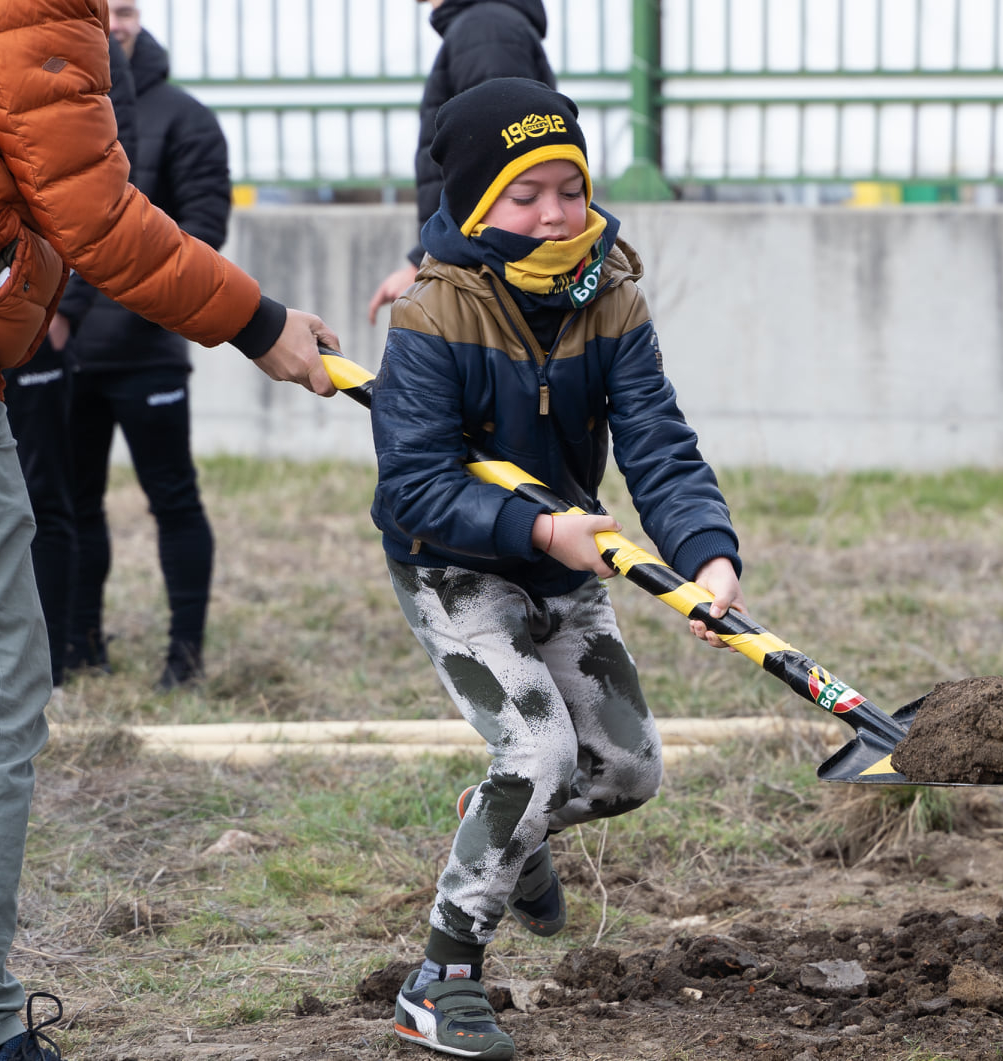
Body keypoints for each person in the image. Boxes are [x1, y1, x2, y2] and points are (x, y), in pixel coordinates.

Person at [0, 1, 341, 1057]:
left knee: (158, 505)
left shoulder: (167, 103)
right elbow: (97, 213)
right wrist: (259, 320)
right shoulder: (35, 15)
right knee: (6, 687)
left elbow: (151, 205)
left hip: (112, 346)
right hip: (76, 344)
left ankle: (184, 649)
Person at [371, 78, 742, 1060]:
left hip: (565, 563)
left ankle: (502, 820)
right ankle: (438, 977)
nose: (553, 214)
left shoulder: (609, 293)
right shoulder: (431, 313)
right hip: (456, 568)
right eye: (524, 193)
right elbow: (415, 484)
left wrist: (707, 555)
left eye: (567, 188)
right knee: (535, 754)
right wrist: (537, 532)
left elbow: (657, 438)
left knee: (625, 768)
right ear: (478, 202)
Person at [55, 0, 235, 689]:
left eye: (125, 9)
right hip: (65, 359)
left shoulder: (186, 118)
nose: (115, 24)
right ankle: (80, 649)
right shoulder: (58, 118)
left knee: (173, 500)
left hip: (146, 352)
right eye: (104, 9)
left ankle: (183, 660)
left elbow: (201, 236)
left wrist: (108, 313)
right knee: (73, 506)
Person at [0, 33, 136, 690]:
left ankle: (50, 668)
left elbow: (104, 207)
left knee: (46, 499)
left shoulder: (91, 61)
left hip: (40, 322)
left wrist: (65, 309)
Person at [366, 0, 554, 325]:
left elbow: (498, 153)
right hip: (484, 258)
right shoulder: (481, 26)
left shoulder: (485, 29)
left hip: (491, 264)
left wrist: (429, 257)